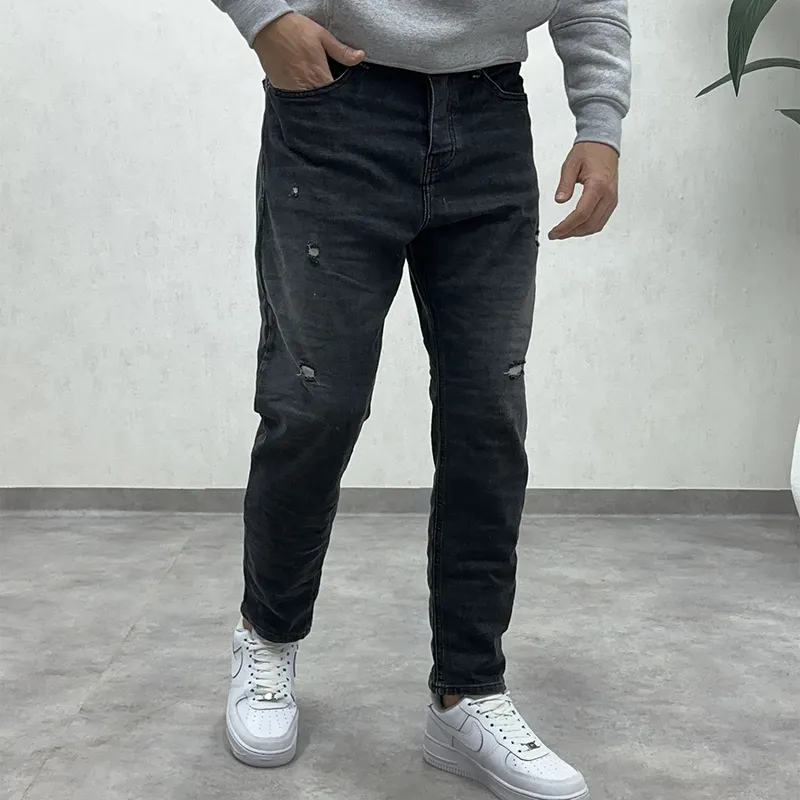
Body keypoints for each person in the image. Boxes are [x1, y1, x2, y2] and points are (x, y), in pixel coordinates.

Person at [211, 2, 630, 798]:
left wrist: (600, 121)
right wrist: (265, 19)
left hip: (490, 115)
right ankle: (266, 636)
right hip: (337, 105)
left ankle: (468, 692)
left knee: (488, 417)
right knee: (316, 404)